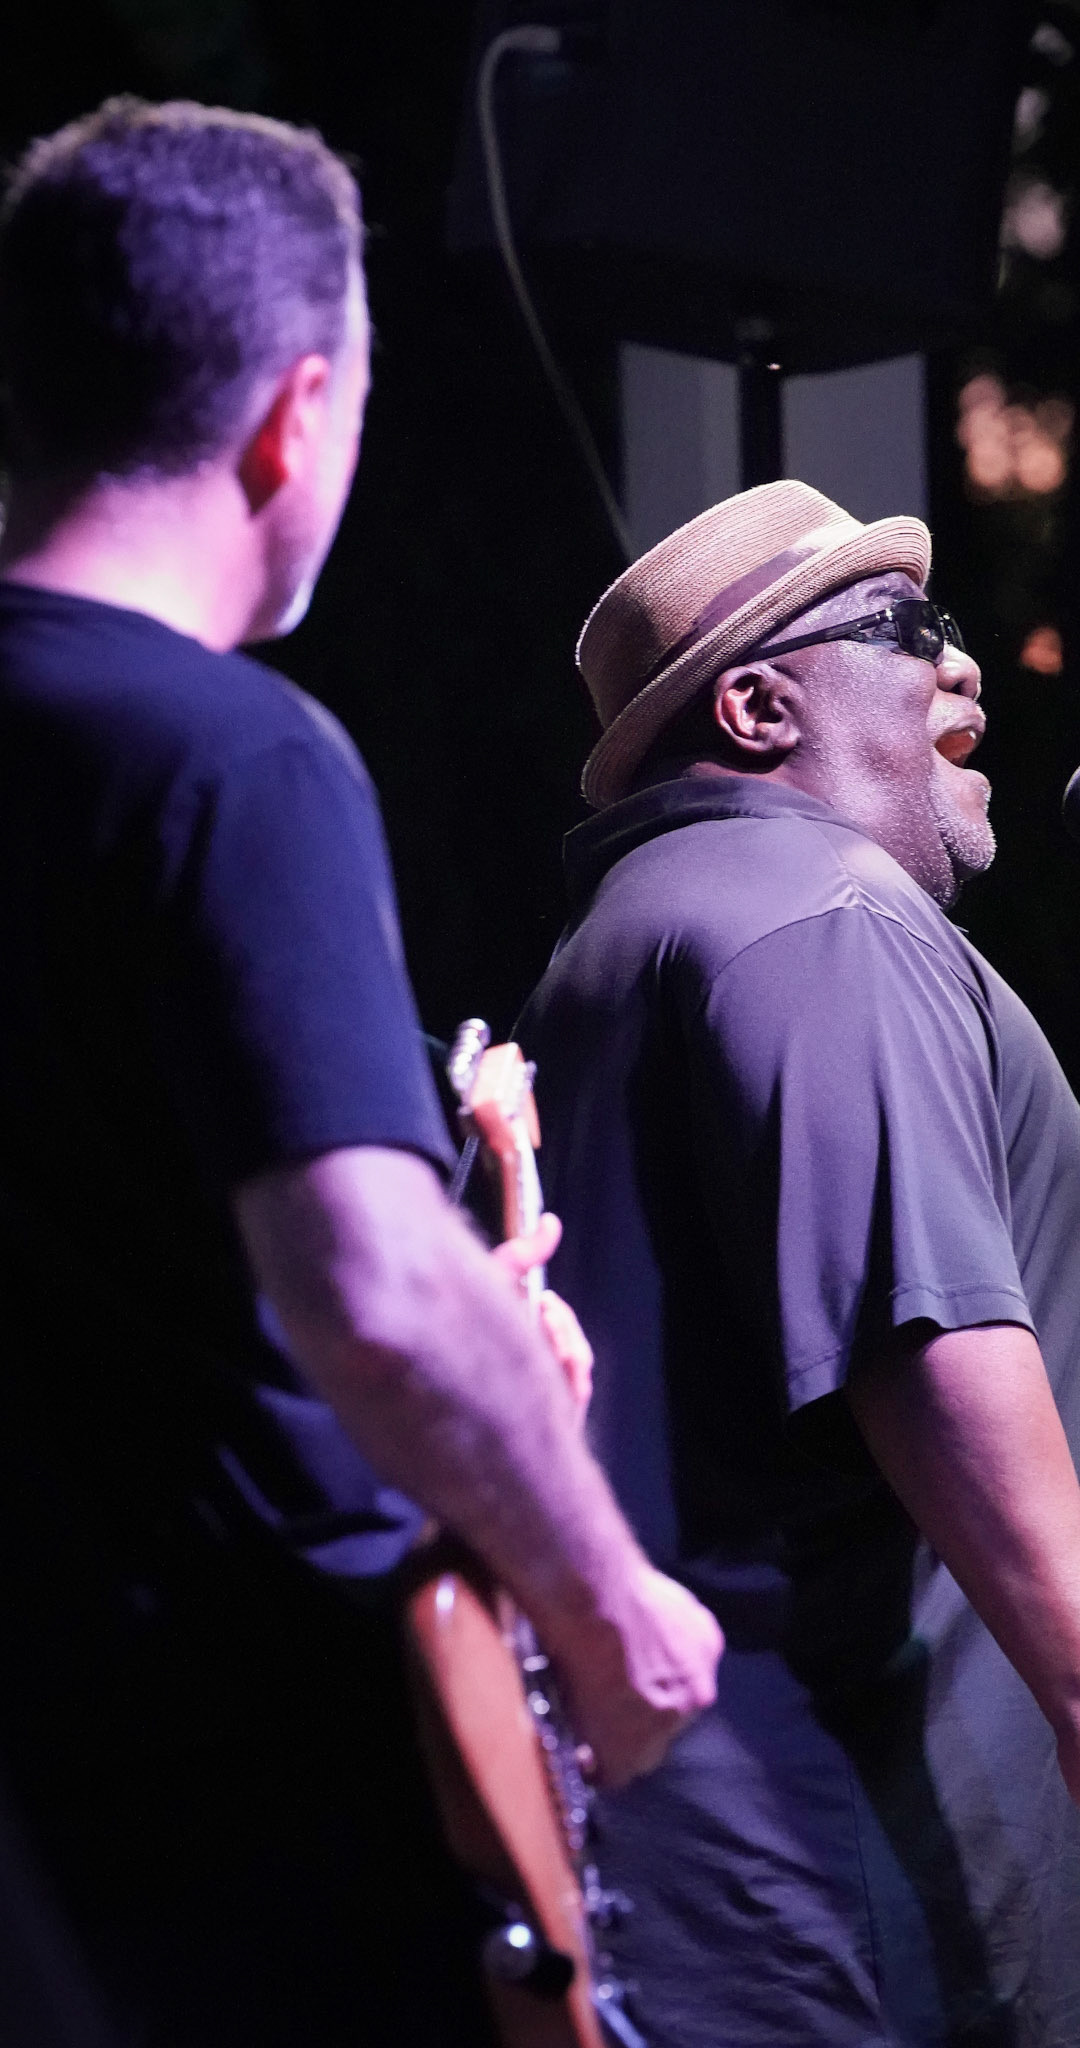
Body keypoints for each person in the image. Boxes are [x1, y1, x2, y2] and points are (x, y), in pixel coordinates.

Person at [514, 480, 1080, 2047]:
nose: (966, 664)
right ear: (758, 707)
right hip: (882, 1886)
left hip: (729, 1872)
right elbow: (918, 1335)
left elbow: (744, 1415)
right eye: (910, 628)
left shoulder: (644, 932)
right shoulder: (824, 917)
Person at [0, 98, 720, 2047]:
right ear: (294, 415)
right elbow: (377, 1287)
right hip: (229, 1812)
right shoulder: (231, 756)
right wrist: (610, 1607)